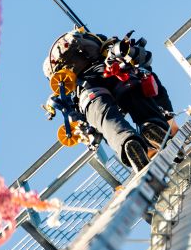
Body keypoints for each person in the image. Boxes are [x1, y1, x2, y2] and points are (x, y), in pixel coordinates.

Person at [42, 28, 174, 172]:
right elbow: (142, 61)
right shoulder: (95, 39)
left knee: (107, 120)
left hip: (88, 92)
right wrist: (168, 117)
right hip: (114, 73)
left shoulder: (63, 81)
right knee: (137, 99)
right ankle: (151, 126)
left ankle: (127, 141)